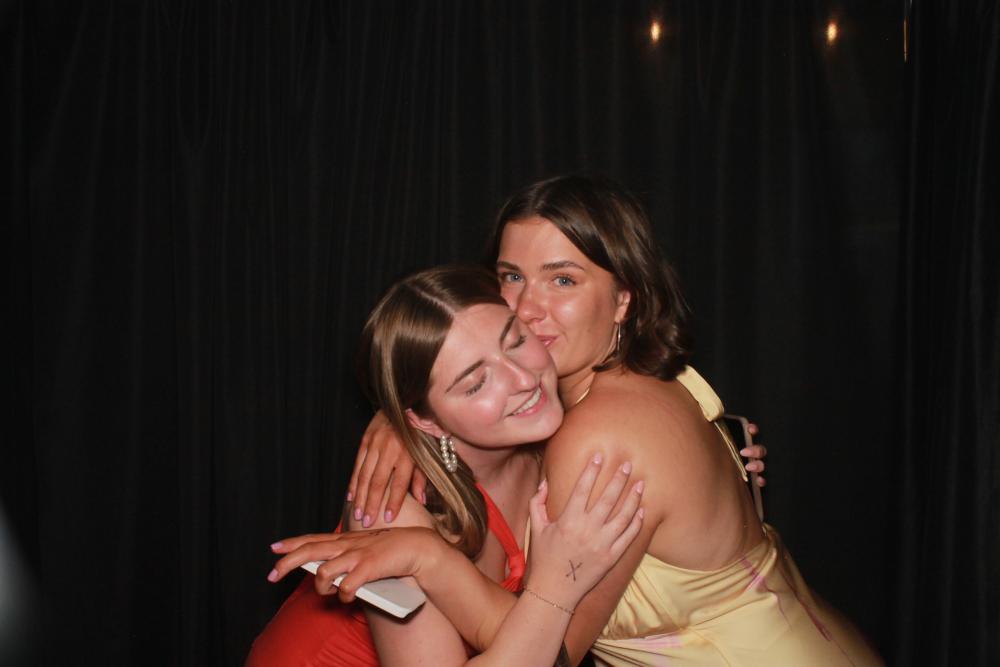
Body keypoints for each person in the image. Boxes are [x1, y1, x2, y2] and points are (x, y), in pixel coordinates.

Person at [277, 174, 883, 665]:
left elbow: (554, 648)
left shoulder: (595, 431)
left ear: (624, 299)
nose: (526, 308)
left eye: (562, 280)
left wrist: (431, 558)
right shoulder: (618, 393)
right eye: (511, 277)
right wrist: (401, 419)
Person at [248, 264, 644, 666]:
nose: (523, 379)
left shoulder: (550, 439)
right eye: (476, 383)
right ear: (426, 421)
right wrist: (558, 585)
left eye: (516, 341)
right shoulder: (392, 511)